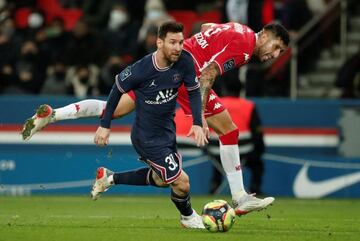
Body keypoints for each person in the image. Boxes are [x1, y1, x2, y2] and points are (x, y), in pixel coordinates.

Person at [22, 21, 289, 216]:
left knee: (115, 109)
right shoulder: (244, 46)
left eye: (279, 53)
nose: (274, 55)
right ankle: (239, 197)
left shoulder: (238, 28)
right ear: (264, 34)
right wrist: (200, 115)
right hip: (187, 76)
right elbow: (207, 74)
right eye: (275, 47)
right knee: (229, 131)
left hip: (169, 66)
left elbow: (208, 27)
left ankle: (54, 115)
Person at [93, 21, 207, 228]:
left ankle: (109, 178)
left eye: (181, 42)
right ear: (159, 42)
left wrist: (198, 122)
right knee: (182, 183)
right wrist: (105, 124)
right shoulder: (142, 69)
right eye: (172, 42)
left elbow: (193, 91)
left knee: (163, 179)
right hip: (146, 138)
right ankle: (189, 218)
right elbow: (116, 88)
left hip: (167, 134)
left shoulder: (185, 62)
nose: (178, 47)